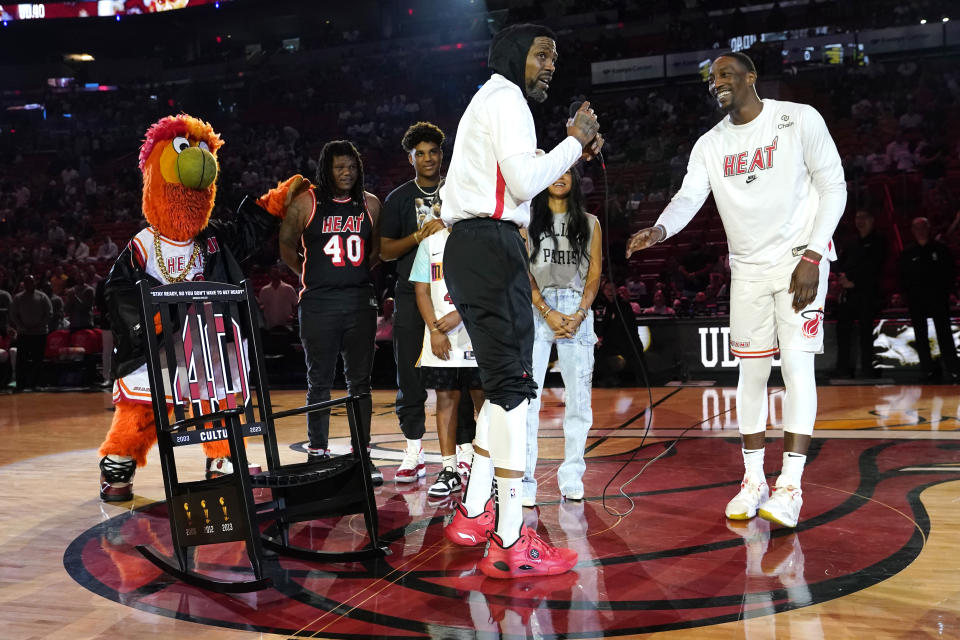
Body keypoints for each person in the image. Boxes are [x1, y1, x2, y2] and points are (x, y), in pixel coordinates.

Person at [627, 51, 847, 529]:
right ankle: (753, 481)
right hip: (747, 269)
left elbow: (834, 186)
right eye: (712, 77)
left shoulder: (797, 119)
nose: (716, 83)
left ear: (752, 76)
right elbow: (689, 194)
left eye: (725, 74)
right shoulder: (710, 144)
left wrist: (813, 254)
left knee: (796, 369)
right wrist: (660, 229)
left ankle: (790, 486)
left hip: (798, 262)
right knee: (749, 377)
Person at [440, 23, 601, 579]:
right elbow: (527, 180)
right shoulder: (507, 97)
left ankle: (473, 510)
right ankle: (511, 538)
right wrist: (576, 142)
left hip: (470, 248)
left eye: (554, 57)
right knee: (512, 390)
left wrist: (567, 148)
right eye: (542, 55)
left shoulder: (489, 100)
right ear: (514, 56)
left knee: (500, 387)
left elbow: (520, 170)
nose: (550, 65)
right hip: (489, 245)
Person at [278, 140, 384, 484]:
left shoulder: (370, 204)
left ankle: (361, 455)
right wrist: (309, 274)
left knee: (360, 385)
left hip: (359, 303)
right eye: (340, 167)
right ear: (327, 169)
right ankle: (317, 452)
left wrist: (352, 278)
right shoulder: (306, 203)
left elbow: (376, 251)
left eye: (352, 167)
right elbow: (286, 245)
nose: (347, 173)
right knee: (319, 383)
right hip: (318, 305)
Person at [379, 122, 475, 484]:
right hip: (411, 293)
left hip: (455, 295)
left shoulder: (459, 192)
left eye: (434, 151)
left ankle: (464, 451)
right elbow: (385, 251)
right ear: (410, 158)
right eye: (421, 153)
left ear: (442, 154)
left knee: (460, 375)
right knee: (411, 376)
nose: (428, 158)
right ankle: (413, 451)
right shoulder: (399, 199)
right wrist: (419, 235)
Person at [524, 166, 601, 506]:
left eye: (567, 172)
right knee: (527, 401)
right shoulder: (525, 220)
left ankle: (572, 476)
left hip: (575, 309)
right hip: (537, 307)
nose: (560, 177)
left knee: (580, 403)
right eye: (554, 171)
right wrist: (545, 310)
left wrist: (581, 312)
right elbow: (522, 271)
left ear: (575, 179)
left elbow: (595, 273)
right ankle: (525, 480)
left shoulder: (589, 222)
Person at [410, 211, 484, 498]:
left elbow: (487, 288)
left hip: (474, 332)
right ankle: (449, 468)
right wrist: (435, 330)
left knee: (483, 400)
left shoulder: (480, 240)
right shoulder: (430, 244)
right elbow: (421, 290)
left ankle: (484, 464)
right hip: (441, 335)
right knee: (446, 398)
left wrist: (460, 314)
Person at [898, 217, 959, 382]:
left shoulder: (940, 250)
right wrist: (906, 295)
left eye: (923, 227)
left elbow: (950, 273)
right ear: (912, 231)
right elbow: (903, 276)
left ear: (928, 228)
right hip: (916, 300)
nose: (920, 231)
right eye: (916, 228)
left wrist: (946, 292)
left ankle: (953, 368)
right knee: (920, 335)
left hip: (938, 299)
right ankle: (927, 370)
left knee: (944, 333)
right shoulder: (908, 253)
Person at [834, 210, 885, 378]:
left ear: (872, 220)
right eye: (857, 217)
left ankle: (867, 369)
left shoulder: (879, 242)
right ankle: (843, 369)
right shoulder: (851, 242)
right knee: (843, 331)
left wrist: (854, 281)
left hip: (867, 293)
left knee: (865, 332)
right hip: (848, 293)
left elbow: (875, 267)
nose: (860, 221)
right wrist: (842, 278)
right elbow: (840, 263)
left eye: (865, 217)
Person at [10, 275, 52, 392]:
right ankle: (20, 385)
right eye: (27, 282)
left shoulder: (42, 297)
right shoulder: (18, 298)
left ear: (35, 283)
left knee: (37, 360)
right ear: (24, 283)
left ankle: (36, 384)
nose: (30, 284)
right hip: (24, 333)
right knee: (21, 360)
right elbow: (14, 314)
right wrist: (22, 326)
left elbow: (49, 313)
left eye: (32, 282)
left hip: (39, 333)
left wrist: (39, 325)